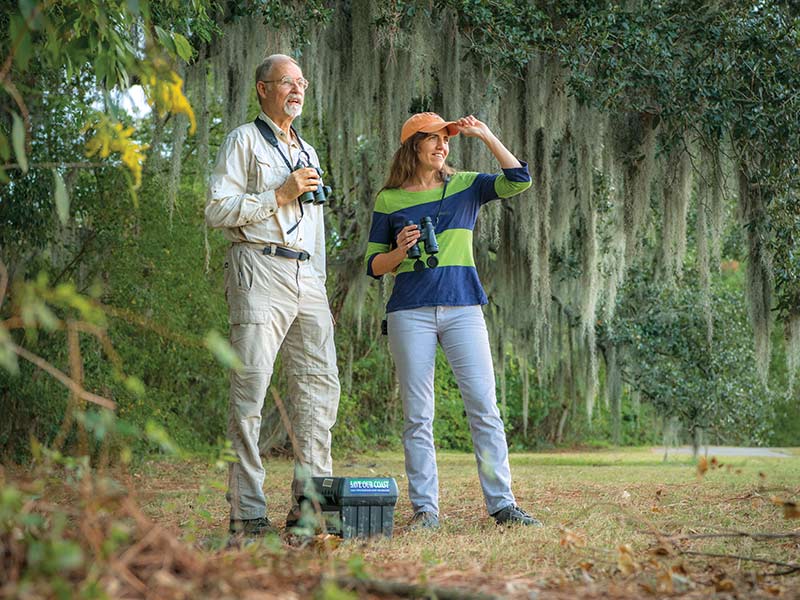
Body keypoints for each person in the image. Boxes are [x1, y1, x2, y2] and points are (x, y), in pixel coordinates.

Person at [364, 112, 542, 529]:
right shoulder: (389, 199)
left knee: (484, 408)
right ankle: (426, 511)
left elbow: (519, 180)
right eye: (433, 139)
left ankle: (503, 505)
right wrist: (400, 251)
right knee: (418, 416)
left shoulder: (466, 185)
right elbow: (373, 265)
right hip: (409, 312)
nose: (442, 145)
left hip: (463, 307)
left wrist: (485, 135)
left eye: (446, 139)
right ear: (413, 147)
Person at [206, 54, 340, 538]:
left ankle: (312, 508)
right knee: (251, 392)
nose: (297, 89)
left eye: (302, 82)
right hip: (259, 266)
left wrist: (319, 283)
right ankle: (247, 514)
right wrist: (278, 195)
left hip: (307, 277)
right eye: (287, 81)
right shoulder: (242, 140)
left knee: (319, 390)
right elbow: (217, 209)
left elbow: (315, 229)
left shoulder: (309, 151)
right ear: (263, 89)